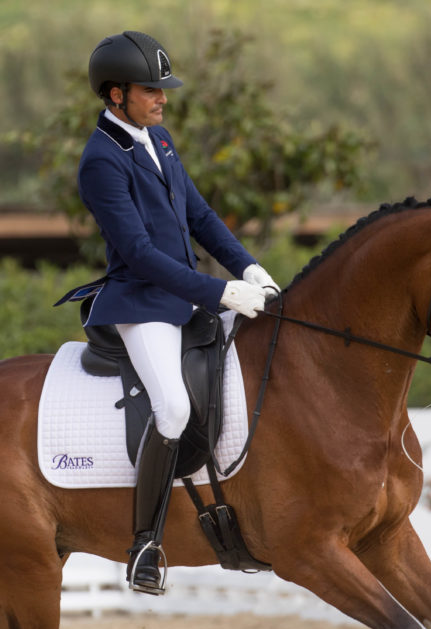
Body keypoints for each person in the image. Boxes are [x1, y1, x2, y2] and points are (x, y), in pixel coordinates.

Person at [78, 30, 280, 595]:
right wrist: (218, 293)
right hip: (143, 304)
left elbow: (201, 216)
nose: (162, 98)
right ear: (116, 95)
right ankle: (144, 543)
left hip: (189, 294)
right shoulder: (101, 161)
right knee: (170, 408)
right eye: (150, 90)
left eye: (163, 89)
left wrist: (249, 269)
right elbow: (139, 254)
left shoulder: (158, 140)